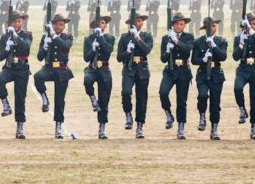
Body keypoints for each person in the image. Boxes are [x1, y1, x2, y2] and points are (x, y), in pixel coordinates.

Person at [34, 14, 74, 139]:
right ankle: (44, 97)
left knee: (60, 100)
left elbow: (65, 46)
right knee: (38, 77)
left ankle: (58, 127)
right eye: (55, 24)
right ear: (51, 25)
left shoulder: (68, 37)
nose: (58, 26)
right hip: (49, 68)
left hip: (62, 70)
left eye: (61, 24)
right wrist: (45, 46)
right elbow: (40, 57)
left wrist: (53, 35)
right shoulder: (45, 37)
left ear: (64, 26)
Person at [0, 11, 33, 139]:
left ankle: (20, 127)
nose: (17, 23)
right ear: (10, 23)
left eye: (19, 21)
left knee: (20, 98)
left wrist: (16, 37)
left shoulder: (27, 34)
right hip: (10, 67)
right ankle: (5, 104)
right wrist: (6, 48)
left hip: (22, 69)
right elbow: (0, 57)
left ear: (22, 22)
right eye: (14, 21)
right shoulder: (5, 37)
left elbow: (26, 47)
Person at [158, 12, 195, 139]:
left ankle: (181, 128)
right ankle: (168, 114)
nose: (180, 26)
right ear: (173, 25)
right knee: (163, 92)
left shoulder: (188, 36)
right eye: (178, 24)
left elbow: (187, 50)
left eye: (182, 24)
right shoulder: (165, 38)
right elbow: (163, 59)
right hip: (170, 70)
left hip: (183, 71)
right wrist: (168, 50)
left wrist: (175, 40)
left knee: (181, 101)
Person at [117, 11, 153, 139]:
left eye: (140, 21)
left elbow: (147, 50)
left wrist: (137, 38)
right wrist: (127, 52)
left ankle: (139, 126)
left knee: (142, 99)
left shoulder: (146, 36)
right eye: (136, 21)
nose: (139, 23)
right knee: (126, 93)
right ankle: (128, 114)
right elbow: (118, 58)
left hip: (142, 70)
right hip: (129, 69)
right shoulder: (124, 37)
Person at [192, 17, 228, 140]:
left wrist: (214, 46)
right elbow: (193, 60)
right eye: (209, 27)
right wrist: (203, 59)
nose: (212, 29)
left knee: (215, 102)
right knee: (202, 95)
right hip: (202, 73)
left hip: (216, 74)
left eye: (214, 26)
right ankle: (202, 115)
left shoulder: (221, 41)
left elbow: (223, 57)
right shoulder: (198, 42)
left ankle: (214, 129)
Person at [233, 13, 255, 140]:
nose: (253, 25)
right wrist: (241, 42)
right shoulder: (238, 38)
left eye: (254, 23)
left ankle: (254, 128)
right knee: (237, 88)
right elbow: (235, 57)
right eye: (250, 23)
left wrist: (251, 31)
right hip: (243, 68)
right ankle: (242, 109)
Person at [83, 13, 114, 139]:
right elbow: (86, 58)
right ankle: (92, 98)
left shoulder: (109, 38)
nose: (101, 25)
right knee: (87, 80)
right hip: (92, 68)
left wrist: (100, 38)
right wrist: (93, 49)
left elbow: (108, 50)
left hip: (104, 69)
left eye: (102, 23)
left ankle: (102, 128)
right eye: (98, 23)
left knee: (104, 100)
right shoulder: (89, 39)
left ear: (105, 26)